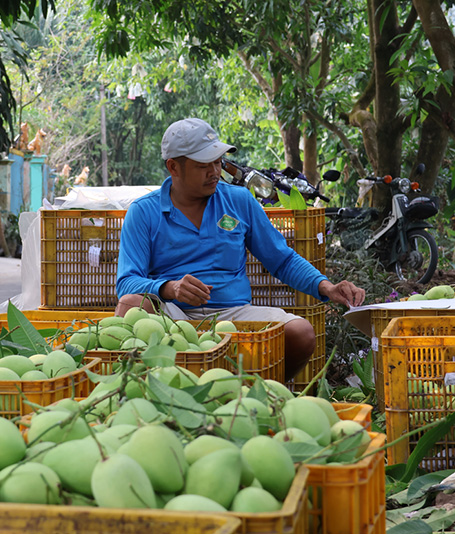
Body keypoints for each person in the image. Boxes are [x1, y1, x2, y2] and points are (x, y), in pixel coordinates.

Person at [115, 118, 365, 380]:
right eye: (203, 165)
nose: (214, 171)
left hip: (234, 314)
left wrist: (327, 287)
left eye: (218, 162)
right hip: (173, 317)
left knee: (300, 333)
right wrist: (170, 288)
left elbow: (282, 260)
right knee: (132, 304)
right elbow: (127, 283)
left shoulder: (239, 200)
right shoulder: (144, 212)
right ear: (173, 167)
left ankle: (267, 394)